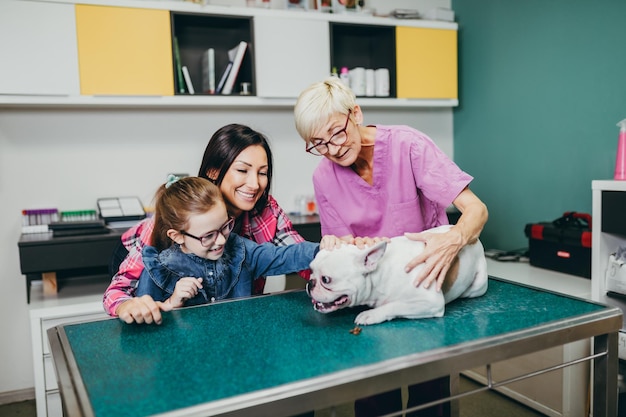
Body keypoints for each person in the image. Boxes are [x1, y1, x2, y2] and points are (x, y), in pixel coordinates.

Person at [293, 77, 488, 417]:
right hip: (370, 297)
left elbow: (477, 210)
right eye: (319, 144)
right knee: (372, 401)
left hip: (424, 289)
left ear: (356, 113)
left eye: (337, 133)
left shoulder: (407, 146)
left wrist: (452, 239)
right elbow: (341, 247)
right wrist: (341, 247)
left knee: (430, 400)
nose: (333, 149)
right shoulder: (324, 178)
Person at [103, 124, 311, 325]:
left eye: (262, 172)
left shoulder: (267, 210)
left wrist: (332, 261)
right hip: (133, 255)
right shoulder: (178, 218)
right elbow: (118, 292)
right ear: (213, 171)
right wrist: (128, 306)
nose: (255, 184)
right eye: (242, 170)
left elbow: (295, 254)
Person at [135, 176, 338, 308]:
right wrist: (172, 303)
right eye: (208, 236)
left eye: (225, 226)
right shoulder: (158, 269)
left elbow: (283, 256)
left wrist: (322, 248)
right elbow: (145, 322)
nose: (222, 239)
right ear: (177, 236)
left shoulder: (241, 249)